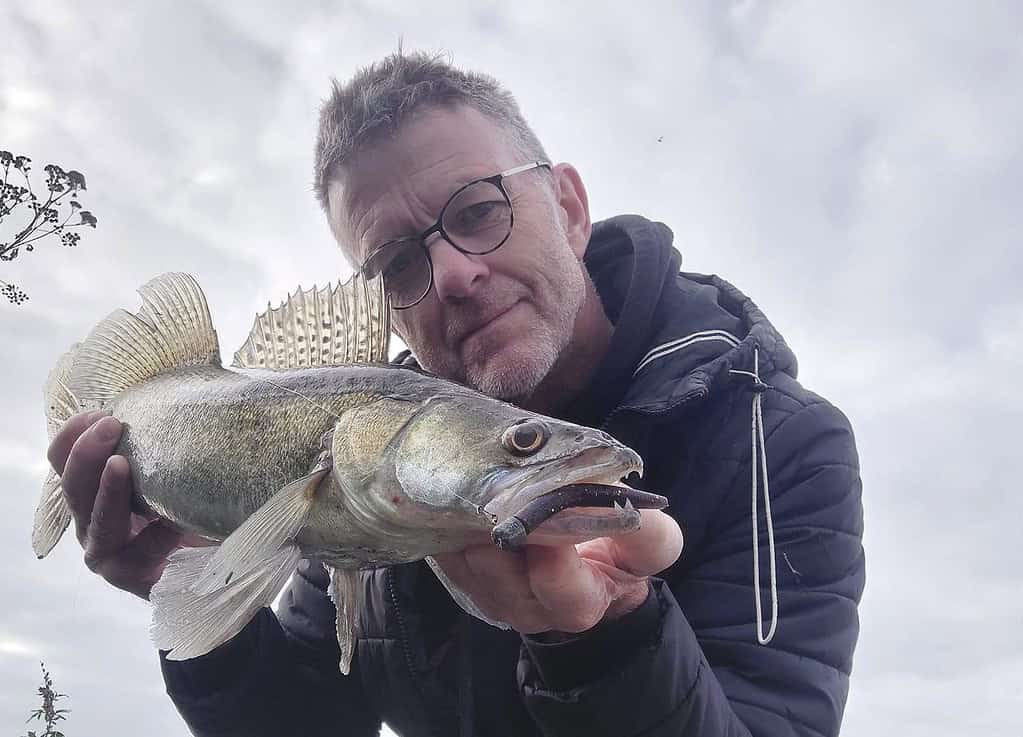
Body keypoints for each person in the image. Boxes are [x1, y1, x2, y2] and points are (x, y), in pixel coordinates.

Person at [48, 51, 865, 737]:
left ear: (570, 208)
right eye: (398, 264)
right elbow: (306, 717)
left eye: (478, 211)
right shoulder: (370, 461)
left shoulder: (779, 443)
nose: (453, 275)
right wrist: (197, 596)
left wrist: (603, 642)